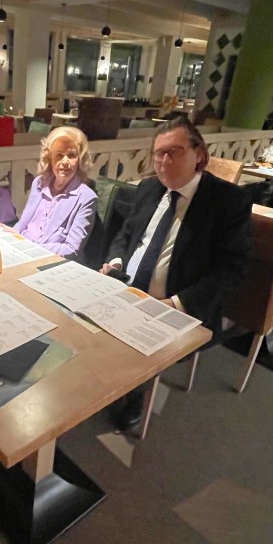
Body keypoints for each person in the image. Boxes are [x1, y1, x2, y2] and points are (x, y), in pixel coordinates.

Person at [101, 117, 252, 429]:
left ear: (199, 154)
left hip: (178, 304)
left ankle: (134, 392)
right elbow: (125, 235)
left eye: (175, 151)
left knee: (134, 341)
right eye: (159, 153)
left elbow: (231, 269)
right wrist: (115, 262)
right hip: (125, 288)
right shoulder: (148, 189)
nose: (164, 161)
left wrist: (177, 304)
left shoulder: (227, 200)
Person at [5, 126, 97, 260]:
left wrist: (30, 247)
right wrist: (11, 233)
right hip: (20, 251)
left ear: (80, 160)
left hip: (49, 261)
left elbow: (72, 249)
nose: (64, 162)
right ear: (50, 158)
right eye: (59, 155)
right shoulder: (39, 183)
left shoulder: (86, 198)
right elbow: (25, 223)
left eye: (71, 155)